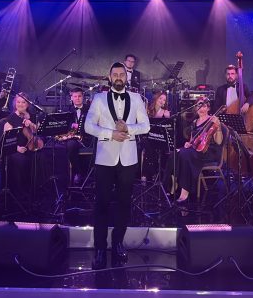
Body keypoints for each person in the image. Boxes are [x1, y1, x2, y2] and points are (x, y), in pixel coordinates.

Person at [84, 62, 150, 270]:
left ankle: (118, 242)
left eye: (122, 74)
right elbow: (88, 126)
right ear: (110, 77)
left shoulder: (137, 98)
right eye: (115, 74)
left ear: (126, 77)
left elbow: (146, 126)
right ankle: (100, 247)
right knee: (102, 203)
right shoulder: (99, 98)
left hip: (128, 159)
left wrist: (128, 129)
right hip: (105, 158)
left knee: (124, 203)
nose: (119, 77)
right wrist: (110, 134)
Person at [163, 97, 223, 203]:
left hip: (208, 152)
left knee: (185, 155)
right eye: (199, 105)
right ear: (195, 108)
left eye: (204, 106)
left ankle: (184, 191)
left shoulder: (212, 121)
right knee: (174, 153)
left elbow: (218, 142)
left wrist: (218, 127)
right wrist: (188, 143)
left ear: (208, 108)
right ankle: (171, 184)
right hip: (195, 149)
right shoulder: (195, 122)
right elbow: (192, 141)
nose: (201, 108)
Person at [2, 93, 40, 204]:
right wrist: (17, 148)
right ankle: (21, 194)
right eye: (18, 102)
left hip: (31, 146)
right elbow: (6, 139)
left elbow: (38, 132)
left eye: (23, 102)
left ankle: (36, 191)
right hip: (15, 149)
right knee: (22, 160)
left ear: (27, 104)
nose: (20, 104)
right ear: (15, 104)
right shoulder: (10, 118)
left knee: (41, 157)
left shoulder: (33, 116)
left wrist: (31, 124)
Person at [65, 87, 91, 185]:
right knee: (70, 145)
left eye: (79, 96)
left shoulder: (90, 109)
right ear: (71, 98)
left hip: (87, 138)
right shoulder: (67, 110)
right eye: (75, 96)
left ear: (83, 97)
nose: (77, 98)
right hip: (72, 139)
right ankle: (77, 173)